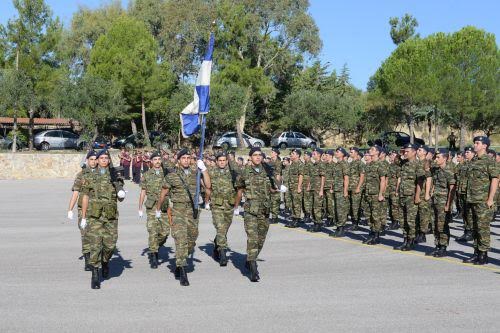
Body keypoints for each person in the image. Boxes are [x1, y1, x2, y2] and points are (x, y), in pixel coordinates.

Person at [156, 148, 211, 286]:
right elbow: (163, 193)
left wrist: (204, 170)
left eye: (188, 158)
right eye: (183, 158)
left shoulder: (196, 173)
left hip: (193, 211)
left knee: (191, 240)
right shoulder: (172, 176)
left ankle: (179, 263)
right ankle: (183, 271)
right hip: (178, 210)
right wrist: (158, 209)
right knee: (180, 239)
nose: (186, 160)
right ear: (179, 160)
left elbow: (208, 186)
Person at [80, 149, 126, 289]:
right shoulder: (89, 175)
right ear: (97, 160)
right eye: (102, 158)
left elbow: (120, 198)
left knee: (110, 245)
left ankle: (105, 261)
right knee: (95, 245)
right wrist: (83, 217)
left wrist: (122, 194)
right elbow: (86, 196)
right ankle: (95, 274)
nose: (104, 160)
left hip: (111, 216)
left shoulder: (115, 176)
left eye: (107, 158)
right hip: (95, 216)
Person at [234, 147, 275, 282]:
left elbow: (273, 187)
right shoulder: (244, 172)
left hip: (265, 210)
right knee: (252, 238)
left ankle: (249, 258)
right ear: (250, 157)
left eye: (260, 155)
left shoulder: (268, 171)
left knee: (260, 240)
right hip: (250, 210)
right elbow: (240, 189)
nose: (258, 157)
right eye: (255, 155)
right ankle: (253, 269)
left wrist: (277, 189)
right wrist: (236, 207)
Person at [463, 136, 499, 265]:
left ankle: (483, 254)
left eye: (477, 143)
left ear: (485, 146)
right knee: (474, 227)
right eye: (475, 143)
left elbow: (495, 179)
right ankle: (476, 252)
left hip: (483, 200)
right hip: (471, 199)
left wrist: (490, 199)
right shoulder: (473, 161)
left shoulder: (489, 161)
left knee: (482, 228)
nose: (475, 145)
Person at [138, 151, 170, 269]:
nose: (157, 161)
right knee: (152, 231)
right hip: (151, 206)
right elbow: (143, 192)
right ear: (151, 162)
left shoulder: (166, 174)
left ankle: (155, 246)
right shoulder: (146, 175)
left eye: (159, 159)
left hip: (164, 207)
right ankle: (153, 253)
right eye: (155, 159)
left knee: (165, 232)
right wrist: (140, 208)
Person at [67, 150, 97, 271]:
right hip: (82, 210)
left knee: (96, 235)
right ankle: (87, 259)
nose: (94, 162)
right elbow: (76, 192)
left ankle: (96, 257)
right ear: (87, 161)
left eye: (95, 159)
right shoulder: (81, 175)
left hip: (98, 209)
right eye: (91, 159)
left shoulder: (102, 174)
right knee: (85, 234)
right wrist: (70, 209)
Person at [206, 152, 237, 266]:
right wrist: (207, 200)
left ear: (227, 161)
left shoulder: (232, 172)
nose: (222, 162)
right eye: (220, 160)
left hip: (229, 205)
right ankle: (222, 253)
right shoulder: (212, 171)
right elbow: (207, 185)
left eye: (224, 160)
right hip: (217, 205)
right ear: (216, 162)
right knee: (220, 227)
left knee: (224, 229)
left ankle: (217, 243)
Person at [394, 143, 425, 251]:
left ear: (414, 152)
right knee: (402, 220)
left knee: (411, 220)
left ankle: (411, 241)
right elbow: (396, 160)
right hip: (402, 195)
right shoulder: (404, 163)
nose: (405, 153)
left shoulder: (418, 164)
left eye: (408, 151)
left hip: (411, 196)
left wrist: (417, 196)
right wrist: (401, 152)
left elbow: (420, 182)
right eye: (405, 151)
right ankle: (405, 240)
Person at [427, 148, 456, 257]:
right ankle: (437, 245)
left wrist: (448, 205)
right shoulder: (436, 169)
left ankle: (443, 247)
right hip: (435, 200)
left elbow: (452, 189)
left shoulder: (449, 171)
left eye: (438, 157)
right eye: (436, 157)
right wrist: (431, 157)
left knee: (442, 225)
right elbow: (426, 167)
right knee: (435, 224)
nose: (436, 159)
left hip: (443, 202)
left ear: (445, 158)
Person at [362, 145, 387, 245]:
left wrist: (381, 194)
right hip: (368, 193)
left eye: (372, 149)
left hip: (376, 194)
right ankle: (372, 232)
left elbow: (383, 181)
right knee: (368, 215)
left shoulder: (380, 164)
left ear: (377, 152)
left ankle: (376, 236)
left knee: (376, 216)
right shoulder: (368, 165)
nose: (370, 150)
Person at [456, 148, 474, 242]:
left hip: (471, 193)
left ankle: (471, 232)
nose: (466, 154)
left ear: (473, 154)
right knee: (465, 213)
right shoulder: (464, 164)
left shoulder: (475, 164)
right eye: (465, 152)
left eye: (468, 152)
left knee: (470, 214)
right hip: (462, 192)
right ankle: (467, 231)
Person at [331, 147, 349, 237]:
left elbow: (346, 179)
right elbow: (334, 178)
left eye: (338, 152)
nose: (336, 153)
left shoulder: (344, 164)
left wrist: (345, 191)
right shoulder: (337, 164)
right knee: (336, 210)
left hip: (341, 190)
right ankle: (338, 227)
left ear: (342, 154)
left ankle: (341, 229)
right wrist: (332, 187)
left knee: (341, 210)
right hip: (336, 190)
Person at [285, 149, 304, 228]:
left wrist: (299, 187)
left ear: (298, 155)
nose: (291, 155)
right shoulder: (292, 164)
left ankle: (296, 220)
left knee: (296, 204)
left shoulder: (300, 164)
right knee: (292, 203)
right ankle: (294, 218)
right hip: (291, 186)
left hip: (296, 187)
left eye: (293, 153)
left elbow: (301, 176)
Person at [308, 148, 325, 232]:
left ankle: (318, 224)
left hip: (318, 189)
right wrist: (309, 186)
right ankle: (315, 223)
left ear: (319, 155)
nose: (312, 155)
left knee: (317, 207)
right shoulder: (314, 164)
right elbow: (311, 177)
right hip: (313, 188)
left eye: (314, 154)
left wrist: (321, 190)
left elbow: (323, 177)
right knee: (312, 207)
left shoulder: (321, 164)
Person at [348, 147, 365, 230]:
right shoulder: (351, 163)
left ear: (356, 153)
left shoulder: (360, 163)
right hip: (350, 188)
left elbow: (362, 176)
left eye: (351, 152)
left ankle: (356, 224)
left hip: (356, 188)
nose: (350, 153)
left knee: (356, 206)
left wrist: (358, 187)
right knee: (351, 206)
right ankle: (353, 222)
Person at [268, 148, 283, 224]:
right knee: (270, 200)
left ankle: (275, 218)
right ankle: (272, 216)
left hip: (275, 183)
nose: (271, 153)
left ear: (276, 154)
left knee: (275, 200)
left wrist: (277, 185)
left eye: (272, 152)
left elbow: (278, 174)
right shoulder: (270, 161)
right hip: (270, 182)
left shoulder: (278, 162)